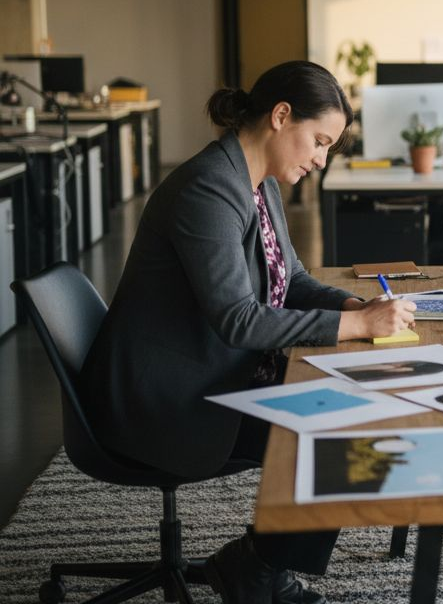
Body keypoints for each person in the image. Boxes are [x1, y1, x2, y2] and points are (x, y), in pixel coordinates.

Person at [79, 60, 418, 603]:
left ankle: (256, 564)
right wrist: (354, 325)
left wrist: (355, 304)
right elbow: (238, 319)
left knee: (359, 408)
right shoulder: (208, 189)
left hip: (209, 369)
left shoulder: (255, 183)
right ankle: (256, 568)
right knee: (343, 433)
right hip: (164, 397)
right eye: (319, 141)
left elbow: (294, 280)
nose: (321, 159)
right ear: (282, 116)